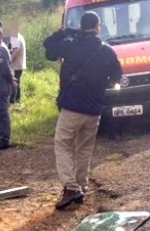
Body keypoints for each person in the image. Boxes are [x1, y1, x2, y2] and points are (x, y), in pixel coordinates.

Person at [43, 11, 123, 210]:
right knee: (84, 149)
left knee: (62, 145)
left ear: (82, 26)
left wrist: (63, 31)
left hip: (72, 107)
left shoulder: (72, 46)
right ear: (98, 27)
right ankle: (81, 186)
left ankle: (71, 188)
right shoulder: (107, 51)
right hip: (94, 109)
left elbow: (48, 47)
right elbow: (116, 77)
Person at [9, 31, 27, 103]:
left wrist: (9, 59)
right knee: (17, 82)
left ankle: (14, 100)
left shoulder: (14, 36)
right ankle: (17, 100)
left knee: (14, 82)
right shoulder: (18, 35)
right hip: (19, 64)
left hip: (16, 64)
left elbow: (16, 49)